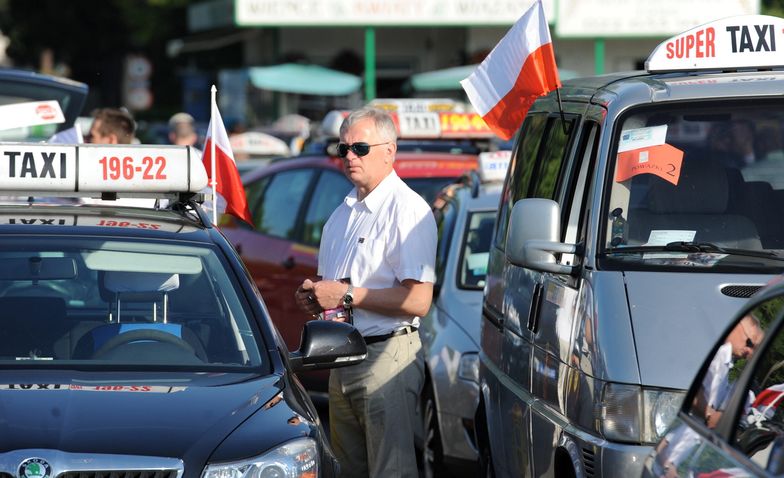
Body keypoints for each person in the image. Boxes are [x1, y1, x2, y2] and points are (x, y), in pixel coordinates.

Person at [294, 107, 437, 478]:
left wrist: (345, 295)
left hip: (387, 355)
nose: (350, 157)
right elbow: (336, 292)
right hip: (343, 359)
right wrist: (314, 298)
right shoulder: (342, 214)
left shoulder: (407, 210)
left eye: (359, 147)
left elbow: (419, 301)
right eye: (343, 149)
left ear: (389, 151)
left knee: (392, 472)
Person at [697, 314, 764, 428]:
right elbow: (691, 389)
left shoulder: (726, 362)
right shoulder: (716, 353)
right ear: (737, 327)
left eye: (754, 350)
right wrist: (709, 415)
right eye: (749, 343)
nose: (750, 352)